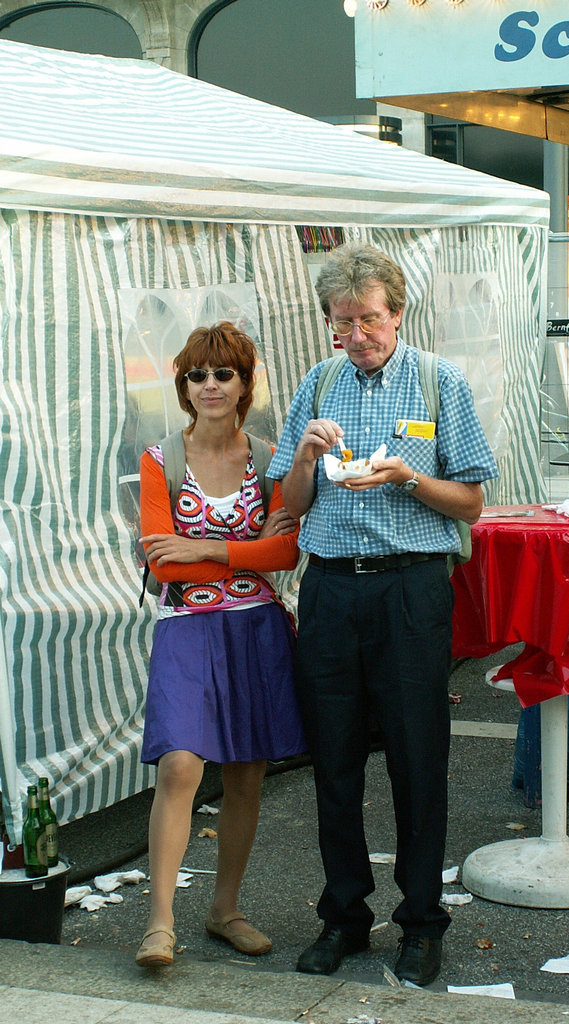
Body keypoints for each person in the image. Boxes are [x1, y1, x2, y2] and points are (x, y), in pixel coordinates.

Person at [267, 243, 498, 987]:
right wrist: (303, 454)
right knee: (332, 759)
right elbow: (291, 507)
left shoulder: (439, 382)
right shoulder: (319, 381)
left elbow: (471, 502)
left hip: (411, 588)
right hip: (331, 588)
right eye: (344, 323)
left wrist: (407, 476)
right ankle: (344, 917)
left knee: (416, 757)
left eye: (369, 319)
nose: (357, 335)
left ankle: (422, 922)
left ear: (397, 312)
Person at [136, 321, 305, 968]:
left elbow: (286, 551)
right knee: (180, 765)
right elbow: (163, 565)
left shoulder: (268, 459)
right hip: (185, 628)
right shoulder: (161, 460)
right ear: (183, 386)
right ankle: (159, 922)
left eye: (222, 374)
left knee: (247, 774)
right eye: (196, 375)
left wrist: (204, 544)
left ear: (244, 384)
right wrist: (246, 553)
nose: (209, 385)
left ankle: (224, 909)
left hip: (256, 629)